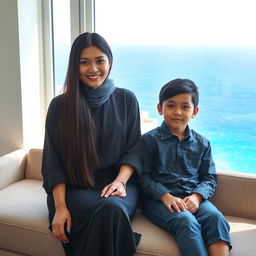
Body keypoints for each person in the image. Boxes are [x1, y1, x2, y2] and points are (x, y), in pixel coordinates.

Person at [41, 32, 141, 256]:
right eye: (84, 62)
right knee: (108, 212)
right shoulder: (59, 106)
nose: (93, 69)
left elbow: (134, 149)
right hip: (76, 189)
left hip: (119, 185)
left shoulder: (127, 100)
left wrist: (120, 181)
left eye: (100, 60)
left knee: (112, 208)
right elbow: (53, 162)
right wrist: (59, 207)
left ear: (110, 62)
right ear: (74, 66)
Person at [138, 78, 231, 256]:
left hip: (192, 198)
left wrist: (196, 197)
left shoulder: (203, 143)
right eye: (171, 105)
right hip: (159, 201)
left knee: (216, 218)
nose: (178, 112)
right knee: (185, 221)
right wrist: (165, 196)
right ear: (160, 108)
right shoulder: (149, 141)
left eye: (185, 107)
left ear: (195, 111)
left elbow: (209, 177)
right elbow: (143, 177)